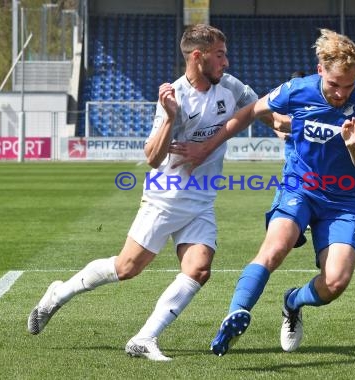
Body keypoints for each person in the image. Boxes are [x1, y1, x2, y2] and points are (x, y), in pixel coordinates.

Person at [27, 24, 279, 361]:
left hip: (202, 199)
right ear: (198, 56)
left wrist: (297, 124)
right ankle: (58, 293)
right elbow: (152, 157)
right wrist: (169, 118)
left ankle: (144, 338)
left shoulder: (232, 88)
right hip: (166, 196)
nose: (227, 62)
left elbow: (264, 113)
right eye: (220, 55)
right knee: (127, 268)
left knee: (199, 269)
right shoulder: (174, 97)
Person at [170, 28, 355, 355]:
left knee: (335, 283)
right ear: (320, 71)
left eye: (349, 86)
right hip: (299, 187)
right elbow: (251, 111)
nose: (342, 93)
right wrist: (208, 147)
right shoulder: (297, 90)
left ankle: (292, 301)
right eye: (334, 84)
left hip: (344, 200)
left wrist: (353, 145)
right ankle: (236, 312)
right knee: (275, 248)